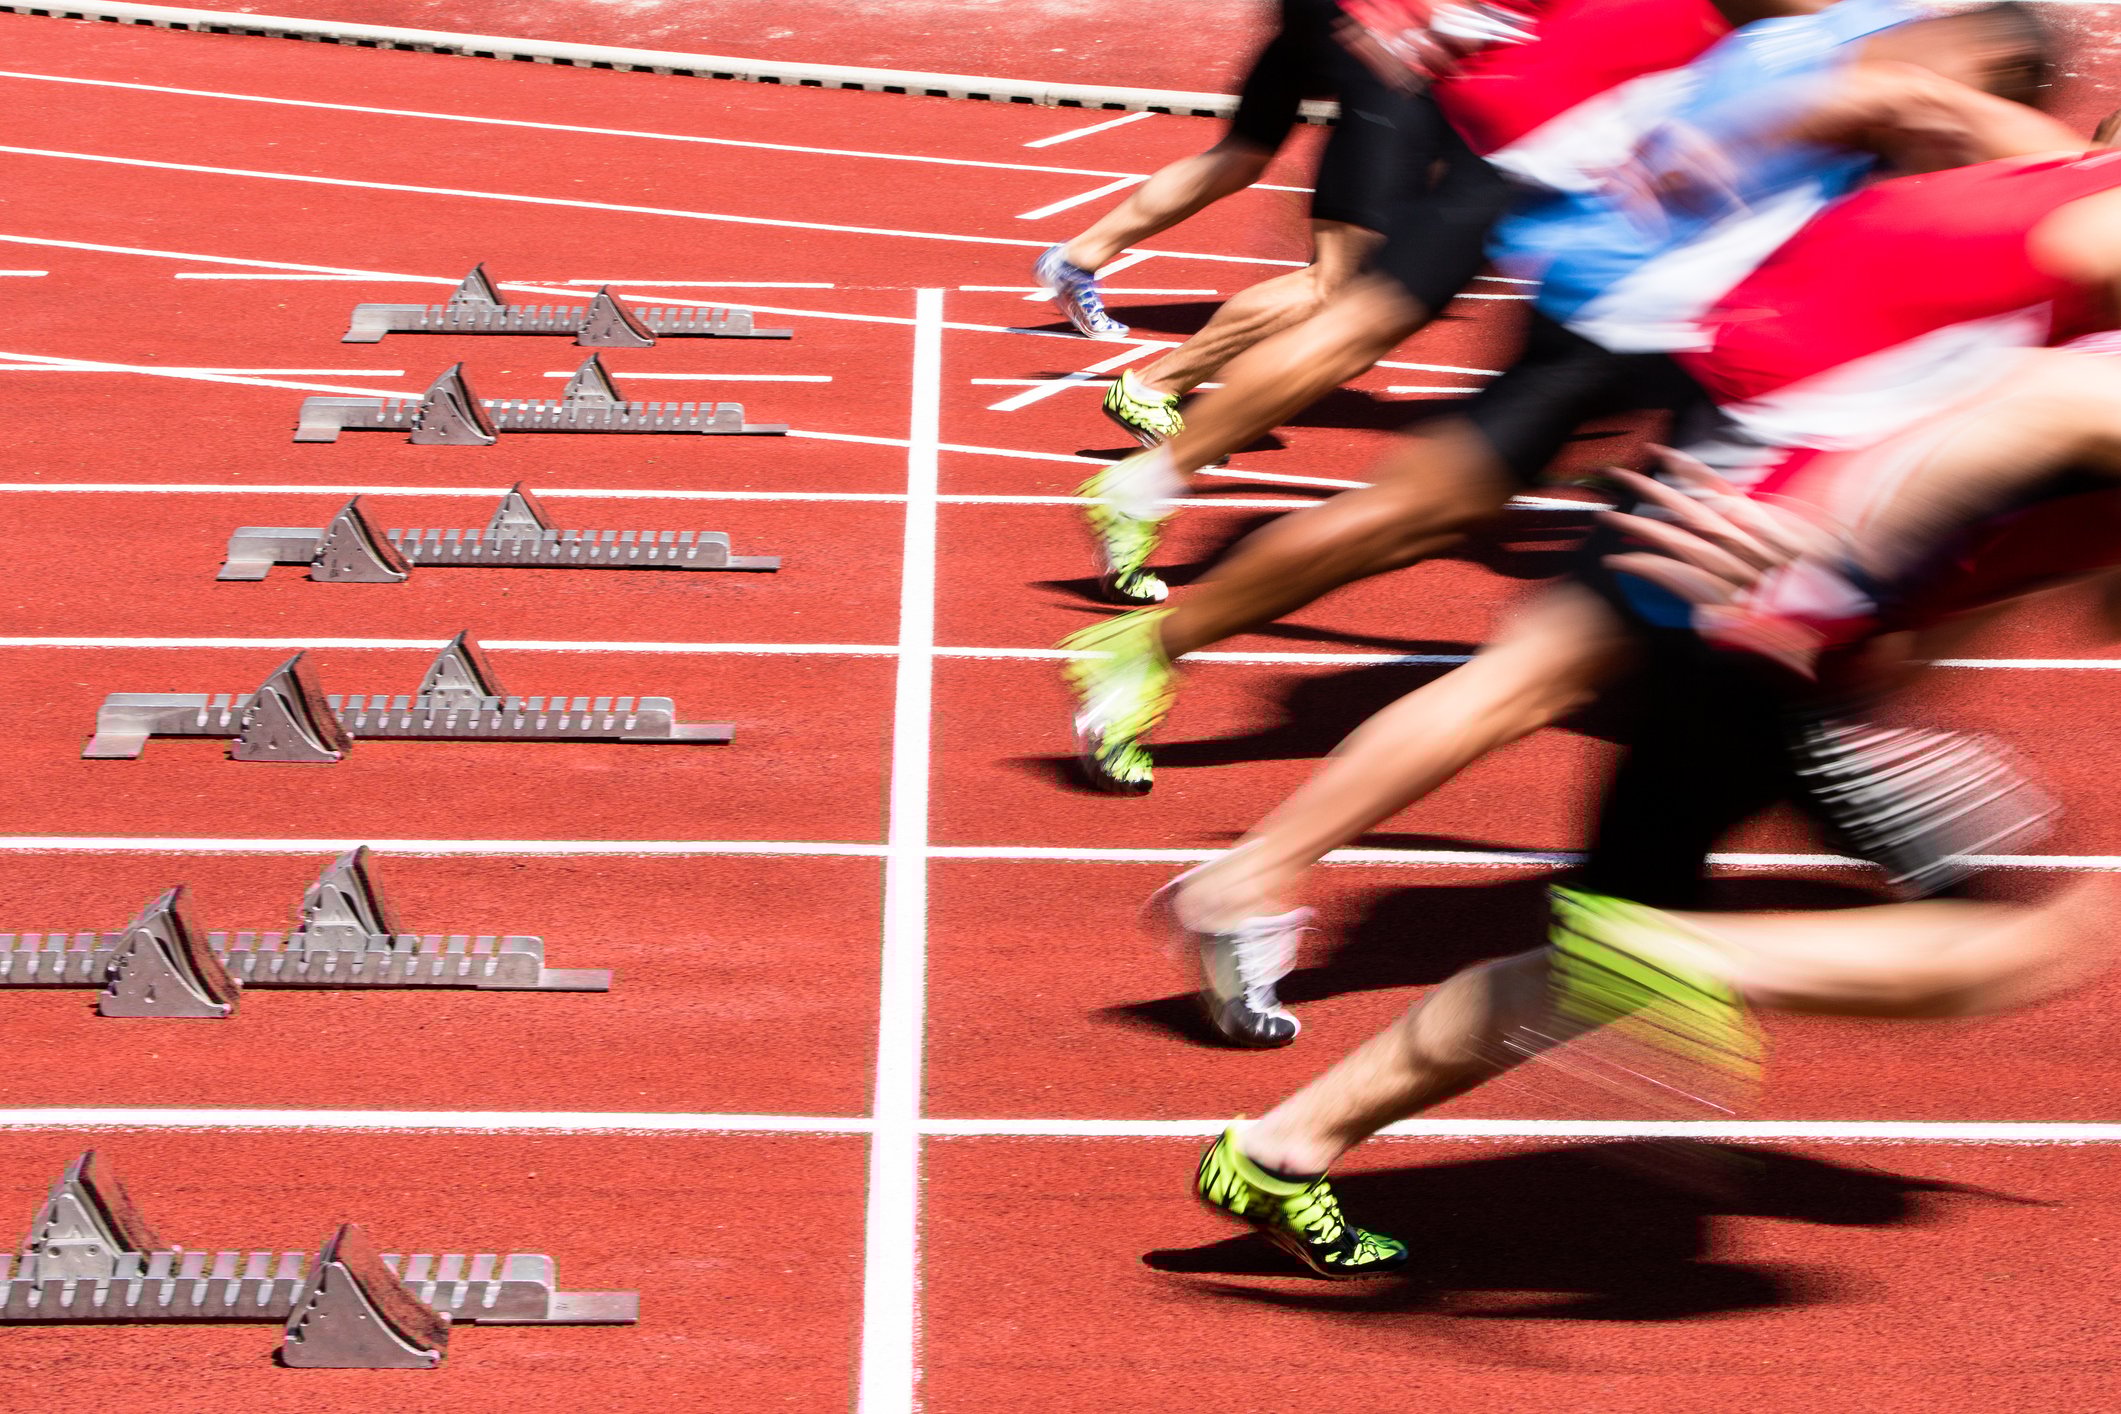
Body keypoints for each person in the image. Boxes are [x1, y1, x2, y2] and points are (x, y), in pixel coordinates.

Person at [1170, 128, 2121, 1047]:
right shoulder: (2082, 213)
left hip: (1781, 418)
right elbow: (2017, 389)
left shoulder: (2035, 162)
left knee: (1548, 684)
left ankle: (1266, 889)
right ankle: (1291, 919)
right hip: (1790, 467)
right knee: (1556, 692)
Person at [1063, 0, 2067, 799]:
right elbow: (1902, 116)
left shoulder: (1852, 31)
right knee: (1513, 578)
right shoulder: (1916, 62)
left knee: (1428, 519)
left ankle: (1151, 645)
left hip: (1637, 303)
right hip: (1658, 321)